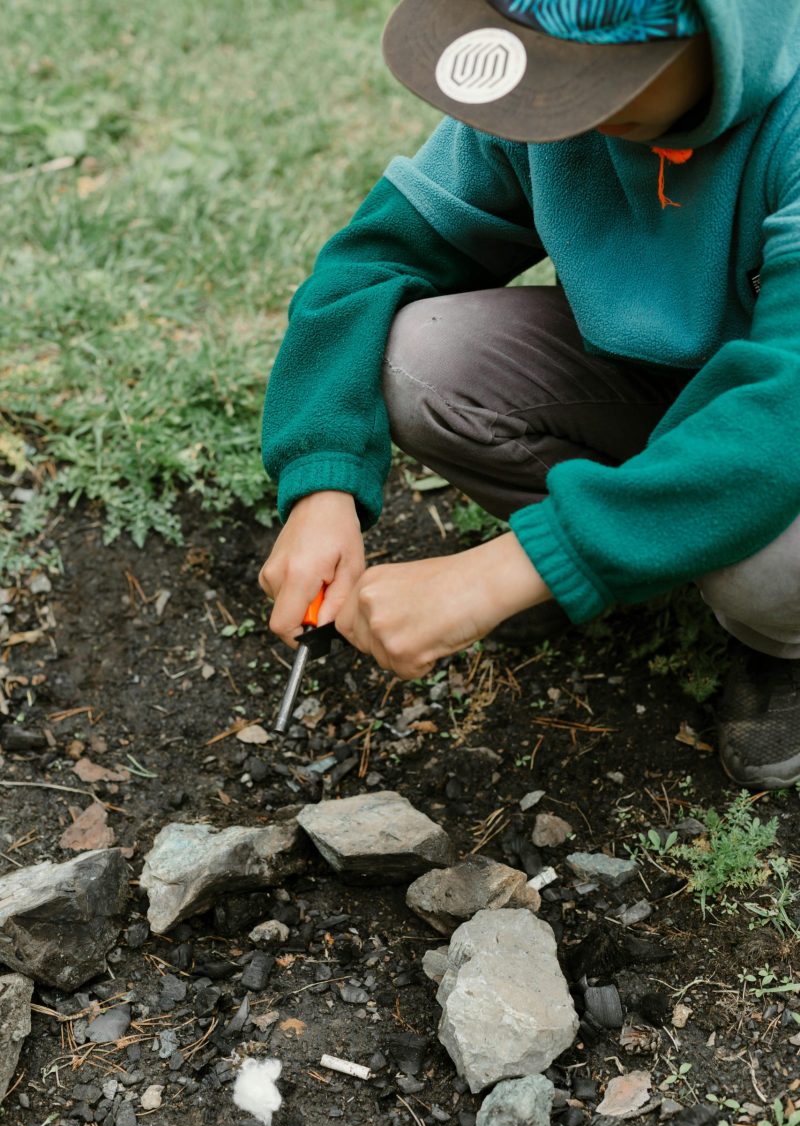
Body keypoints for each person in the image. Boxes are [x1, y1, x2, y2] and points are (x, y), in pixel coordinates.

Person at [258, 0, 800, 790]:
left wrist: (499, 575)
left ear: (715, 29)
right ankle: (612, 550)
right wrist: (322, 481)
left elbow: (779, 421)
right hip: (691, 393)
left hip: (780, 424)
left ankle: (780, 646)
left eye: (582, 81)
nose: (546, 107)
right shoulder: (540, 101)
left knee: (767, 558)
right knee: (421, 354)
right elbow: (372, 265)